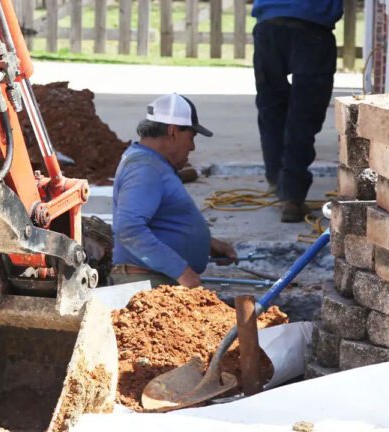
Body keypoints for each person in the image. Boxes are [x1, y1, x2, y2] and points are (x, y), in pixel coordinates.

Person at [110, 94, 237, 288]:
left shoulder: (151, 163)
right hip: (147, 283)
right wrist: (181, 271)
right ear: (173, 132)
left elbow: (162, 220)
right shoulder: (144, 168)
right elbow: (129, 229)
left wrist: (209, 244)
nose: (192, 147)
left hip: (154, 279)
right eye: (191, 137)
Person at [252, 0, 343, 223]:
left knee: (271, 107)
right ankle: (290, 195)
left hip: (270, 23)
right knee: (304, 114)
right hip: (313, 28)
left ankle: (278, 181)